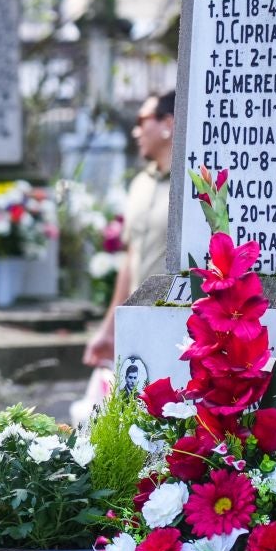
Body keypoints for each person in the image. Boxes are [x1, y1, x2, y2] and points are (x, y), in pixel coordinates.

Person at [83, 89, 175, 370]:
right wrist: (109, 329)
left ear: (168, 124)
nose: (135, 131)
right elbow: (130, 260)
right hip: (137, 322)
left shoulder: (194, 186)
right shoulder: (139, 185)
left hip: (177, 325)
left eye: (142, 119)